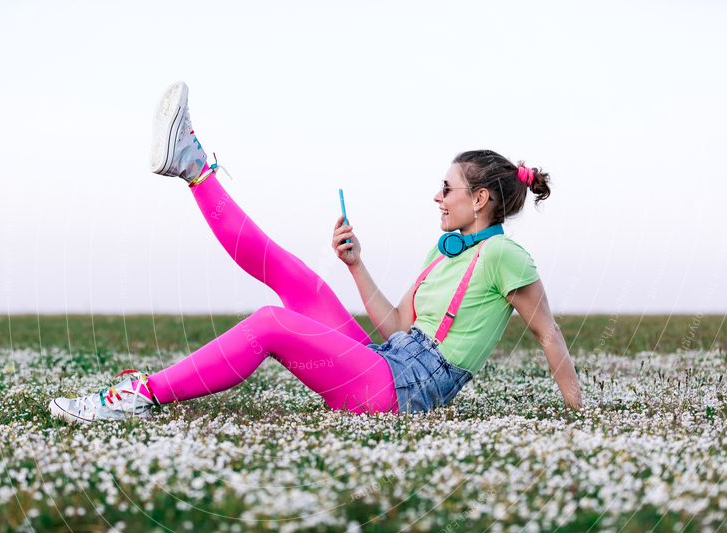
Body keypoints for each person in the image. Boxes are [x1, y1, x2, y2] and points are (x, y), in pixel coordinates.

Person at [48, 81, 583, 424]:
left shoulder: (505, 258)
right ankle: (192, 167)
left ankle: (141, 395)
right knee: (298, 281)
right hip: (388, 364)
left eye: (448, 190)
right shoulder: (445, 251)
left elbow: (548, 333)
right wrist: (356, 265)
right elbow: (398, 325)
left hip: (401, 392)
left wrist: (579, 416)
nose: (438, 198)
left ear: (481, 199)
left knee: (270, 324)